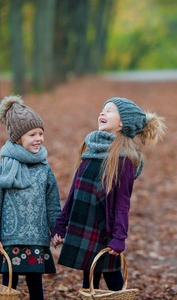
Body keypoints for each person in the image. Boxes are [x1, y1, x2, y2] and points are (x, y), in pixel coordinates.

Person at [51, 97, 166, 291]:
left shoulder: (123, 160)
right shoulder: (90, 148)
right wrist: (61, 226)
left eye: (110, 111)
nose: (102, 113)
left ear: (122, 123)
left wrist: (119, 236)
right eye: (102, 109)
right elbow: (74, 192)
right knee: (89, 281)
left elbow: (123, 204)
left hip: (105, 230)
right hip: (84, 224)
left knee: (113, 279)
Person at [0, 95, 61, 300]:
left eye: (41, 133)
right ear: (18, 138)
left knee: (35, 285)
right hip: (9, 239)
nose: (39, 138)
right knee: (8, 286)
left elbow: (52, 203)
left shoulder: (44, 168)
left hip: (36, 239)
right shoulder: (3, 167)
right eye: (32, 134)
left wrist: (57, 230)